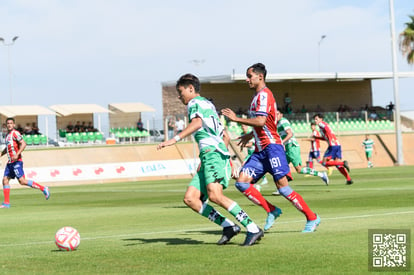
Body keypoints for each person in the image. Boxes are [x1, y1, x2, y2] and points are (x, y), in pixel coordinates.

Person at [157, 73, 264, 246]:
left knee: (215, 195)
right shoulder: (208, 105)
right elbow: (226, 136)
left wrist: (174, 139)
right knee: (191, 198)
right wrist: (219, 157)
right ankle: (228, 226)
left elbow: (197, 123)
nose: (179, 96)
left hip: (212, 154)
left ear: (191, 89)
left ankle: (252, 228)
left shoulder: (194, 103)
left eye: (180, 91)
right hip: (210, 155)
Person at [221, 63, 320, 233]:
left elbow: (260, 122)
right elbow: (266, 123)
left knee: (283, 189)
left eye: (249, 76)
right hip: (260, 151)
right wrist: (251, 135)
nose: (247, 79)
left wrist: (237, 119)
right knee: (242, 183)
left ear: (260, 77)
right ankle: (272, 210)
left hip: (273, 147)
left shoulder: (265, 96)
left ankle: (312, 217)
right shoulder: (256, 97)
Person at [272, 111, 329, 196]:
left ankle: (321, 174)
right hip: (286, 148)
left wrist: (281, 142)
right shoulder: (277, 123)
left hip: (292, 147)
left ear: (281, 114)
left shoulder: (283, 121)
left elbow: (290, 134)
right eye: (275, 114)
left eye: (278, 114)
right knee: (280, 167)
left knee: (299, 169)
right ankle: (282, 188)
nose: (276, 115)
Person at [1, 117, 50, 208]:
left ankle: (43, 188)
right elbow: (7, 148)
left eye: (11, 123)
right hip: (10, 162)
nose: (9, 125)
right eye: (8, 123)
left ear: (14, 125)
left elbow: (23, 143)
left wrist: (17, 154)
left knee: (22, 181)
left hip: (17, 162)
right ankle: (6, 203)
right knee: (5, 180)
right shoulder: (7, 135)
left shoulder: (15, 133)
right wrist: (1, 154)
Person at [313, 113, 353, 184]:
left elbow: (327, 129)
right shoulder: (322, 125)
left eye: (316, 119)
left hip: (333, 145)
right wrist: (317, 137)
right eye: (315, 119)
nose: (315, 120)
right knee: (337, 164)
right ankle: (348, 179)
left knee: (324, 162)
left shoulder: (321, 124)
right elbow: (326, 137)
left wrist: (331, 138)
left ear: (321, 119)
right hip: (337, 144)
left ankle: (343, 163)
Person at [239, 124, 268, 192]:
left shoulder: (250, 133)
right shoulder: (242, 133)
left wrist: (243, 145)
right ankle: (257, 181)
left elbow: (251, 144)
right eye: (242, 126)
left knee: (244, 164)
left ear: (247, 126)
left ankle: (256, 182)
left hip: (254, 152)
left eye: (244, 126)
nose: (243, 128)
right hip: (249, 153)